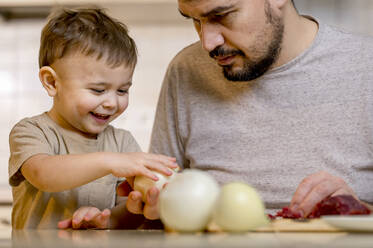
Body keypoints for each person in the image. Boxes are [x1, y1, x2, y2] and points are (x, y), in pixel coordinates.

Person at [123, 0, 373, 220]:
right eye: (195, 21)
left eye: (222, 15)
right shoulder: (186, 71)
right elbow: (157, 201)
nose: (208, 43)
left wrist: (358, 212)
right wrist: (154, 211)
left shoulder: (365, 66)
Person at [8, 7, 178, 229]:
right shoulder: (31, 131)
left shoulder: (123, 143)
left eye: (122, 90)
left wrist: (108, 219)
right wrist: (111, 161)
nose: (112, 103)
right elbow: (43, 173)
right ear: (51, 82)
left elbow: (130, 211)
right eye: (98, 90)